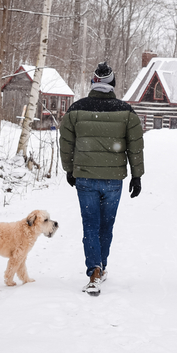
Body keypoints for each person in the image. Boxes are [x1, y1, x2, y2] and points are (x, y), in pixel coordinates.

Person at [60, 61, 144, 296]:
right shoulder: (126, 112)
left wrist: (69, 169)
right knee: (106, 225)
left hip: (85, 178)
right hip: (113, 179)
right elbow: (135, 146)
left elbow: (66, 142)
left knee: (90, 225)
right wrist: (137, 176)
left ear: (93, 83)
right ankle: (101, 266)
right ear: (113, 84)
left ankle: (94, 268)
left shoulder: (76, 110)